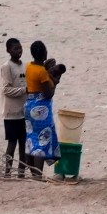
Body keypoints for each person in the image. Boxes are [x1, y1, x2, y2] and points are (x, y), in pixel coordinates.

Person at [21, 40, 66, 178]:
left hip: (28, 105)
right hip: (41, 110)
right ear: (44, 54)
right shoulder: (42, 72)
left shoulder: (28, 66)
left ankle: (33, 174)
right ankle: (38, 176)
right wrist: (55, 82)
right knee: (42, 142)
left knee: (31, 140)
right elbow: (48, 93)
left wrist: (47, 70)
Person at [0, 38, 28, 177]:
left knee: (24, 142)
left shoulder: (24, 66)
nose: (19, 51)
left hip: (23, 111)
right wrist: (23, 90)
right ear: (8, 51)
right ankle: (7, 172)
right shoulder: (7, 67)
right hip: (11, 112)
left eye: (20, 48)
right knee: (12, 143)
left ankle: (21, 172)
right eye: (15, 49)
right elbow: (6, 90)